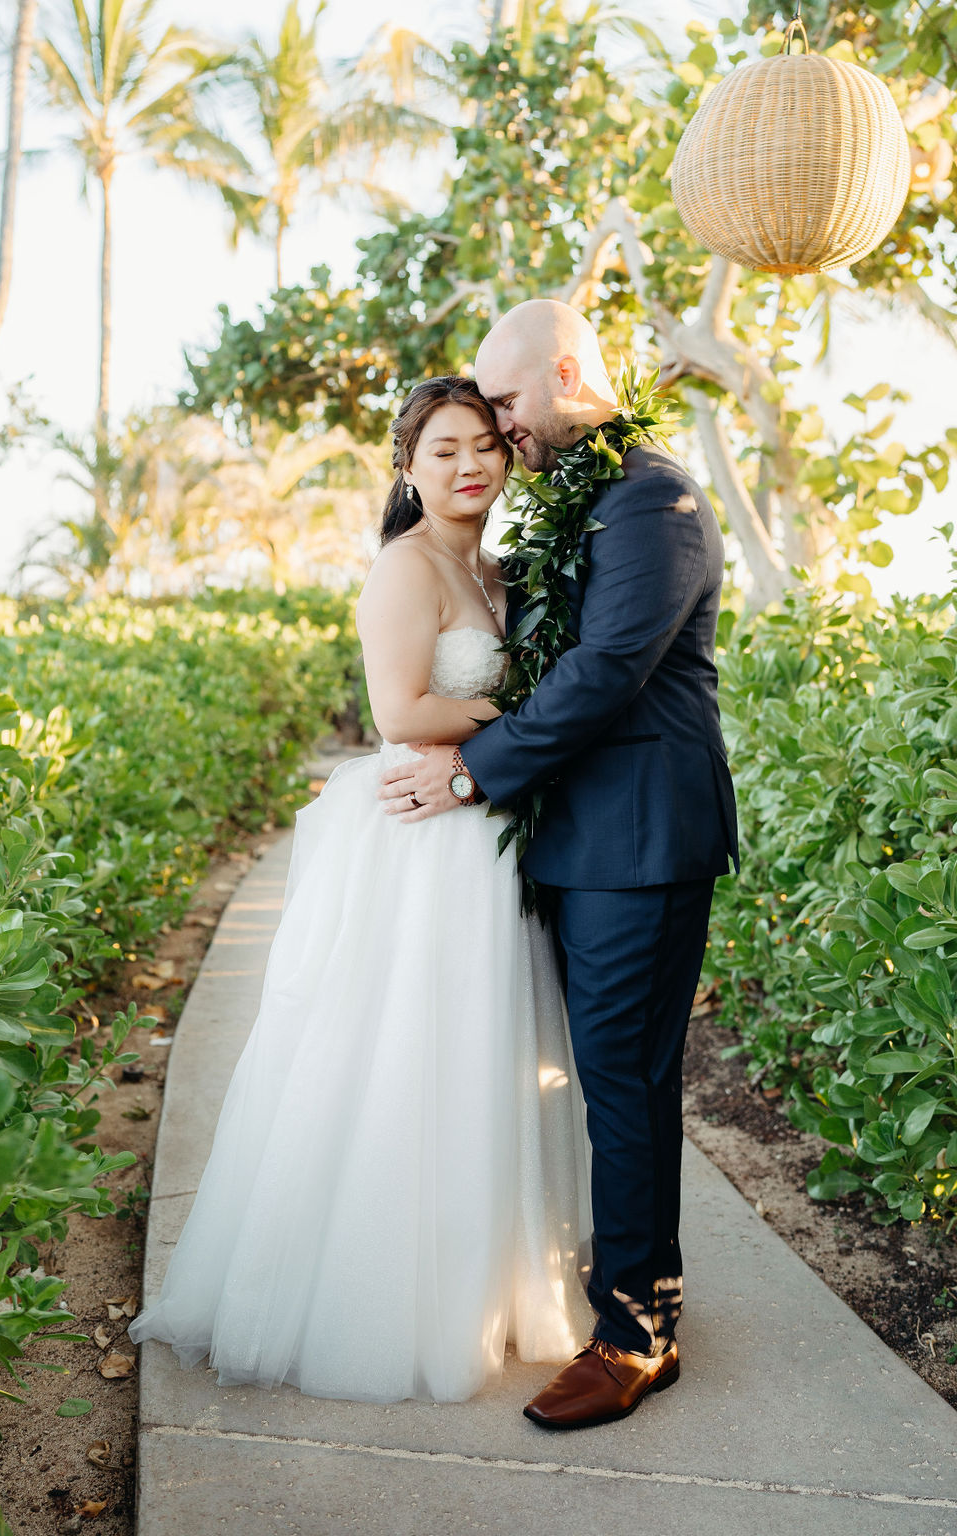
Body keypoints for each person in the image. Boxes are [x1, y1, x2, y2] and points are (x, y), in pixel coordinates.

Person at [128, 375, 594, 1404]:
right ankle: (383, 1298)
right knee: (400, 1061)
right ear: (406, 466)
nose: (469, 464)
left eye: (483, 444)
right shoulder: (406, 567)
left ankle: (481, 1279)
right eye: (443, 449)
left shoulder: (495, 569)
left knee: (477, 1059)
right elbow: (401, 708)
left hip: (479, 836)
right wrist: (520, 710)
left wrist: (511, 726)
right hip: (422, 844)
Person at [380, 299, 739, 1429]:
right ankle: (629, 1293)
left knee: (625, 1088)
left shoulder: (653, 500)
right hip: (581, 843)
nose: (498, 423)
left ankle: (638, 1337)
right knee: (599, 1085)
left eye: (509, 401)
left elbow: (600, 675)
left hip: (639, 845)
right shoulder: (583, 500)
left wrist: (469, 770)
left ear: (572, 372)